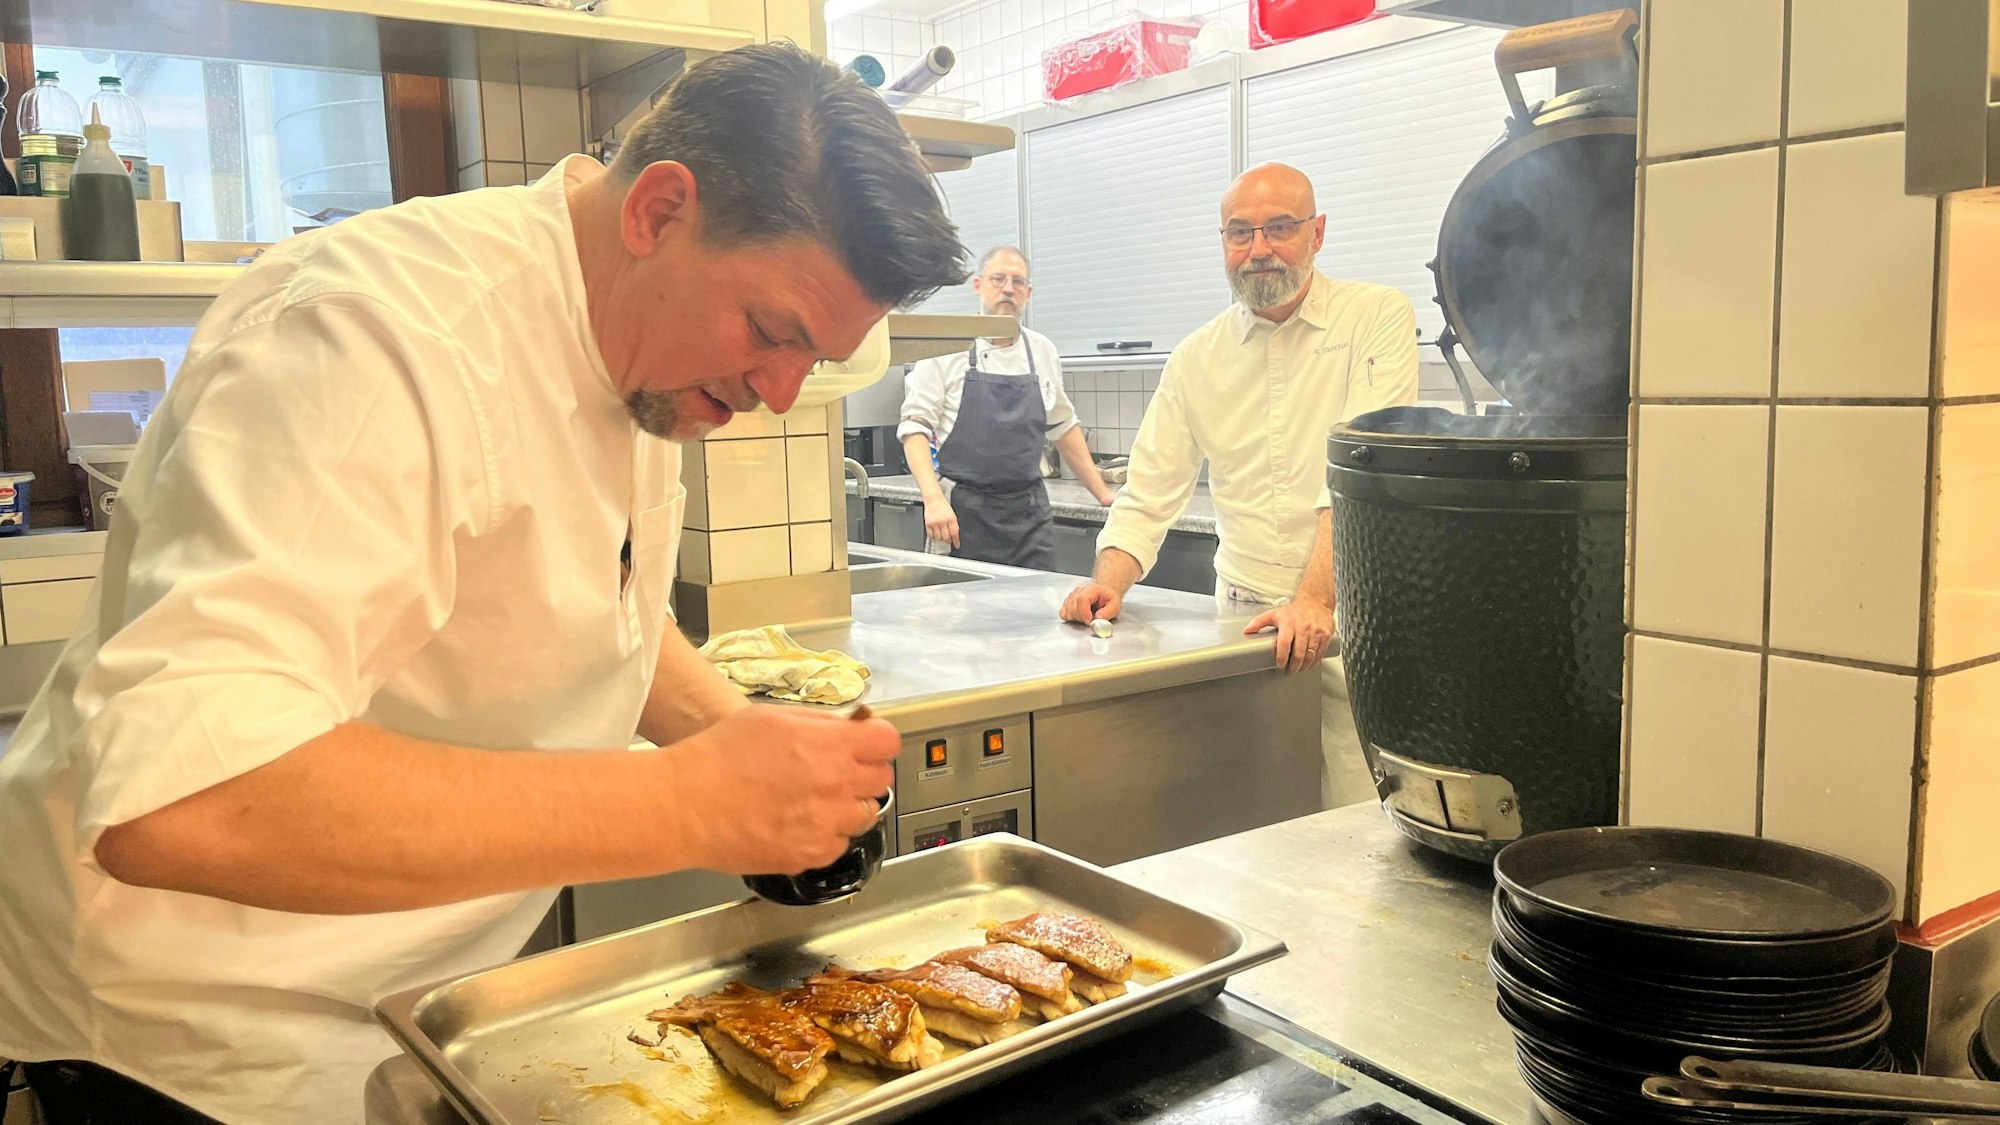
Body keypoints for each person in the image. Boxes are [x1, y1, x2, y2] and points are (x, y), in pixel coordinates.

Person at [0, 44, 964, 1125]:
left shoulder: (645, 347)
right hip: (193, 1042)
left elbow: (595, 598)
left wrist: (726, 734)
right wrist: (692, 804)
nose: (780, 395)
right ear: (657, 211)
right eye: (772, 334)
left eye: (813, 360)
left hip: (410, 1011)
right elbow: (185, 798)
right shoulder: (372, 338)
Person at [1059, 163, 1419, 810]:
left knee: (1360, 825)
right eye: (1240, 232)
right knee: (1248, 818)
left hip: (1353, 628)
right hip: (1244, 628)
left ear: (1318, 233)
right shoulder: (1197, 356)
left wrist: (1314, 600)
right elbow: (1150, 489)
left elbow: (1360, 474)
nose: (1259, 249)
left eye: (1280, 227)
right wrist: (1107, 582)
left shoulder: (1376, 317)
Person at [897, 246, 1116, 568]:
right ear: (978, 286)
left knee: (1038, 610)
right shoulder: (946, 345)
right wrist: (933, 499)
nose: (1008, 289)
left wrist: (1103, 494)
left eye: (1017, 282)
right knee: (964, 613)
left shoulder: (1042, 350)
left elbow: (1063, 426)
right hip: (962, 513)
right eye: (998, 279)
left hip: (1029, 514)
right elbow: (914, 430)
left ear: (1028, 293)